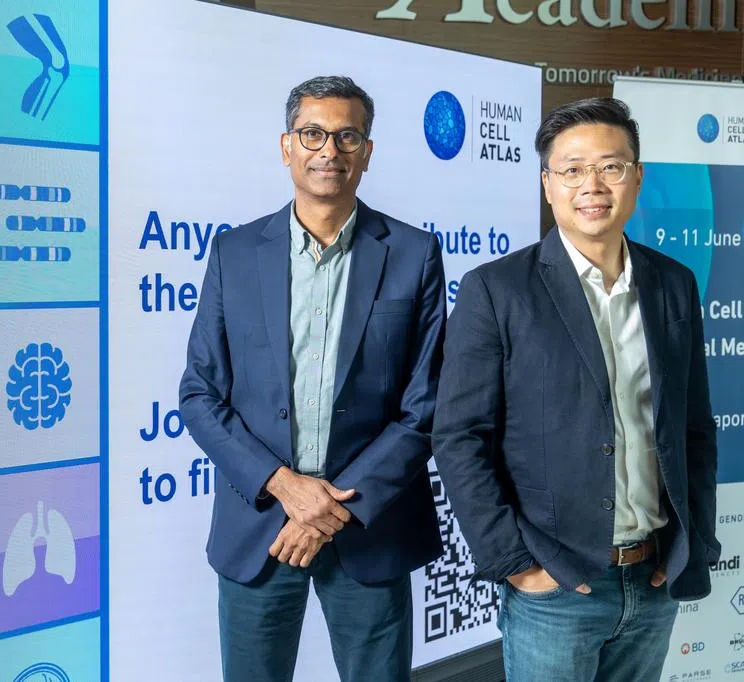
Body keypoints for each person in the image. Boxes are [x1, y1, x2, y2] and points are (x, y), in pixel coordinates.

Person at [432, 97, 719, 681]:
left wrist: (697, 544)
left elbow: (693, 428)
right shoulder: (497, 290)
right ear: (548, 184)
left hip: (654, 578)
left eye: (611, 166)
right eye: (572, 169)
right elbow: (459, 437)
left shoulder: (673, 284)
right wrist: (515, 562)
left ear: (637, 177)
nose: (593, 185)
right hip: (556, 587)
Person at [179, 75, 446, 682]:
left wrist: (330, 508)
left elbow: (426, 403)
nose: (330, 150)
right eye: (312, 134)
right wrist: (285, 487)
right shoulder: (234, 253)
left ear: (367, 152)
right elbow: (199, 394)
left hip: (370, 527)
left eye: (347, 136)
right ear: (287, 146)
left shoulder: (414, 253)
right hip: (261, 527)